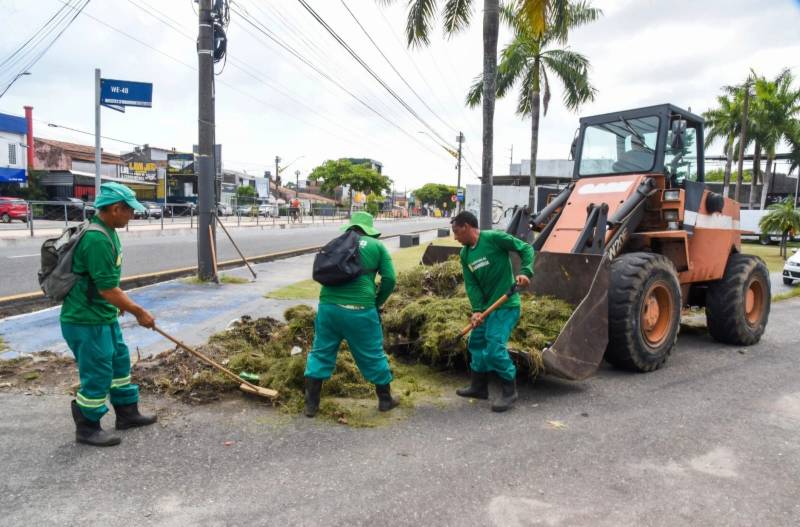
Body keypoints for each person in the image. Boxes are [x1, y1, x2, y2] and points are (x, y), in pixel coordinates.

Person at [60, 182, 157, 447]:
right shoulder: (96, 239)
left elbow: (104, 285)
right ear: (116, 209)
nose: (132, 216)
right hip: (85, 320)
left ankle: (126, 413)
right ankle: (87, 427)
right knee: (98, 372)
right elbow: (108, 289)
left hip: (102, 316)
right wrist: (139, 312)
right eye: (129, 211)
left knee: (119, 362)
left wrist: (117, 306)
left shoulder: (109, 231)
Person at [303, 211, 398, 417]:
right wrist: (377, 302)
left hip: (328, 308)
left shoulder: (336, 242)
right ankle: (385, 400)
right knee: (372, 353)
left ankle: (311, 404)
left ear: (351, 227)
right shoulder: (377, 246)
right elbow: (390, 279)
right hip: (361, 310)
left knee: (321, 351)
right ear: (369, 229)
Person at [450, 211, 534, 412]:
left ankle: (509, 391)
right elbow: (472, 285)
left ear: (467, 226)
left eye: (456, 232)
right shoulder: (465, 254)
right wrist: (477, 310)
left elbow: (526, 249)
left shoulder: (494, 238)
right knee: (476, 342)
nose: (454, 237)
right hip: (487, 309)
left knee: (495, 346)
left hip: (506, 305)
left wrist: (525, 271)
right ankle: (479, 387)